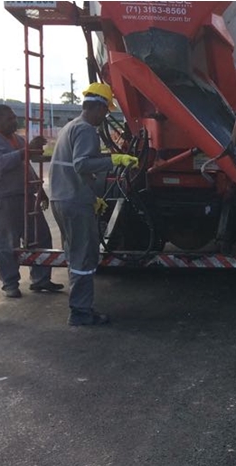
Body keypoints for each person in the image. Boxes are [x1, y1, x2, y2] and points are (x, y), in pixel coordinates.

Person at [49, 82, 138, 326]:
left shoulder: (70, 127)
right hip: (73, 202)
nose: (105, 116)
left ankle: (79, 306)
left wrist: (92, 198)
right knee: (84, 256)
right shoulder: (86, 129)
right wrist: (115, 159)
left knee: (74, 253)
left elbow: (75, 168)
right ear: (97, 107)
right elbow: (82, 164)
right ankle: (80, 312)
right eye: (106, 111)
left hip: (62, 199)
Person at [0, 104, 63, 298]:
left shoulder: (18, 139)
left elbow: (26, 166)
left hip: (24, 195)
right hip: (0, 197)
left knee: (39, 236)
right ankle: (10, 283)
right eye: (9, 118)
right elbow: (1, 163)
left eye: (14, 117)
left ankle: (41, 279)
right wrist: (27, 149)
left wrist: (38, 189)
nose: (14, 121)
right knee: (6, 242)